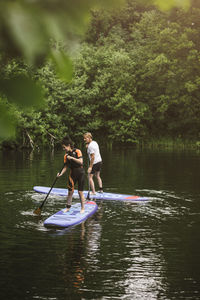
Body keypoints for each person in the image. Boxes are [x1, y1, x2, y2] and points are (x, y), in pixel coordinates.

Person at [57, 138, 85, 213]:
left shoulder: (77, 151)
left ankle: (82, 208)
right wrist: (60, 174)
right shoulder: (66, 156)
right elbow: (65, 167)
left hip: (80, 173)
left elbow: (81, 162)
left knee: (80, 192)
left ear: (68, 145)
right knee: (70, 192)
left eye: (64, 147)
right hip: (72, 174)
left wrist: (72, 158)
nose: (63, 149)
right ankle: (68, 208)